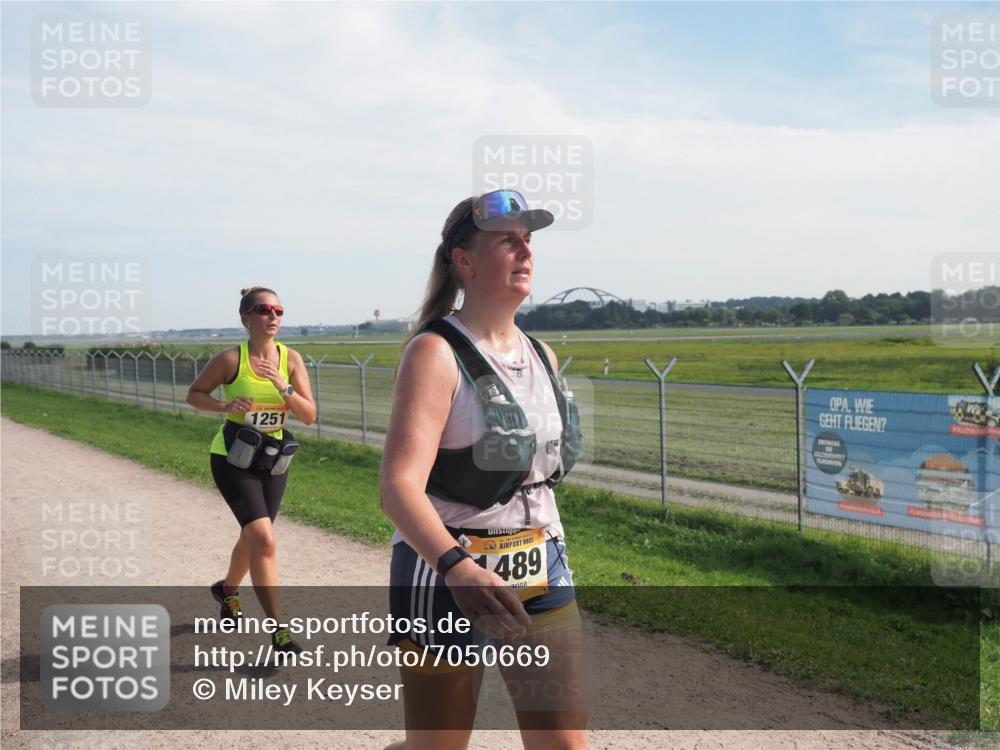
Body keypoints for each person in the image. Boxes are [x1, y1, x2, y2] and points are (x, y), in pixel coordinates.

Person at [379, 190, 587, 749]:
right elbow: (398, 486)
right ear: (464, 261)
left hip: (539, 561)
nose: (526, 251)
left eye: (528, 240)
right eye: (506, 241)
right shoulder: (434, 353)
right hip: (447, 569)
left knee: (564, 745)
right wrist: (456, 567)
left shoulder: (542, 353)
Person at [187, 286, 316, 654]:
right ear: (246, 318)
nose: (272, 316)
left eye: (278, 310)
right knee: (263, 538)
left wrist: (282, 386)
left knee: (254, 536)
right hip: (232, 458)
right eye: (263, 309)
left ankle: (227, 591)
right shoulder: (232, 359)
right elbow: (194, 394)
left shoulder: (290, 359)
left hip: (272, 460)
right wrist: (225, 406)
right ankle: (279, 631)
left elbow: (309, 415)